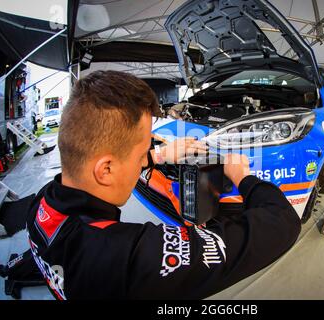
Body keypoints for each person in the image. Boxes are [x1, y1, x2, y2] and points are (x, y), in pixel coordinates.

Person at [26, 71, 301, 300]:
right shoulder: (133, 259)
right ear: (106, 169)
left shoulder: (41, 205)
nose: (143, 162)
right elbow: (282, 223)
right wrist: (243, 178)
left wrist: (157, 156)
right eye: (141, 152)